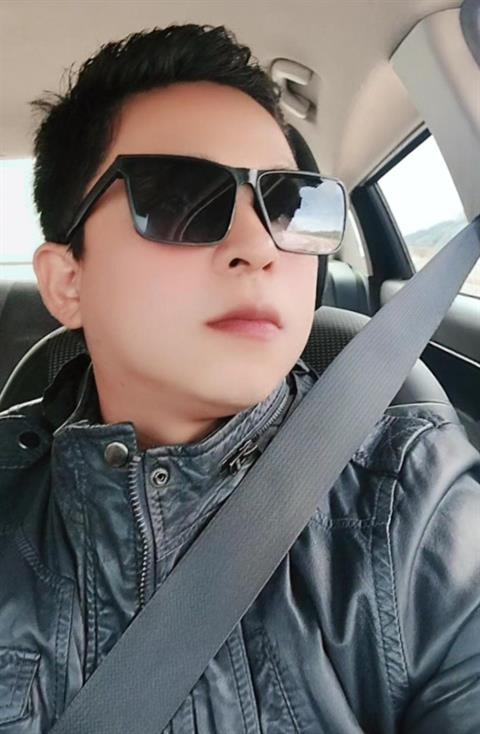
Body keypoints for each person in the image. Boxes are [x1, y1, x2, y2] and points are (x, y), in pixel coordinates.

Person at [0, 24, 478, 734]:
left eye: (290, 205)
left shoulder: (413, 506)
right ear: (67, 282)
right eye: (178, 199)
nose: (259, 247)